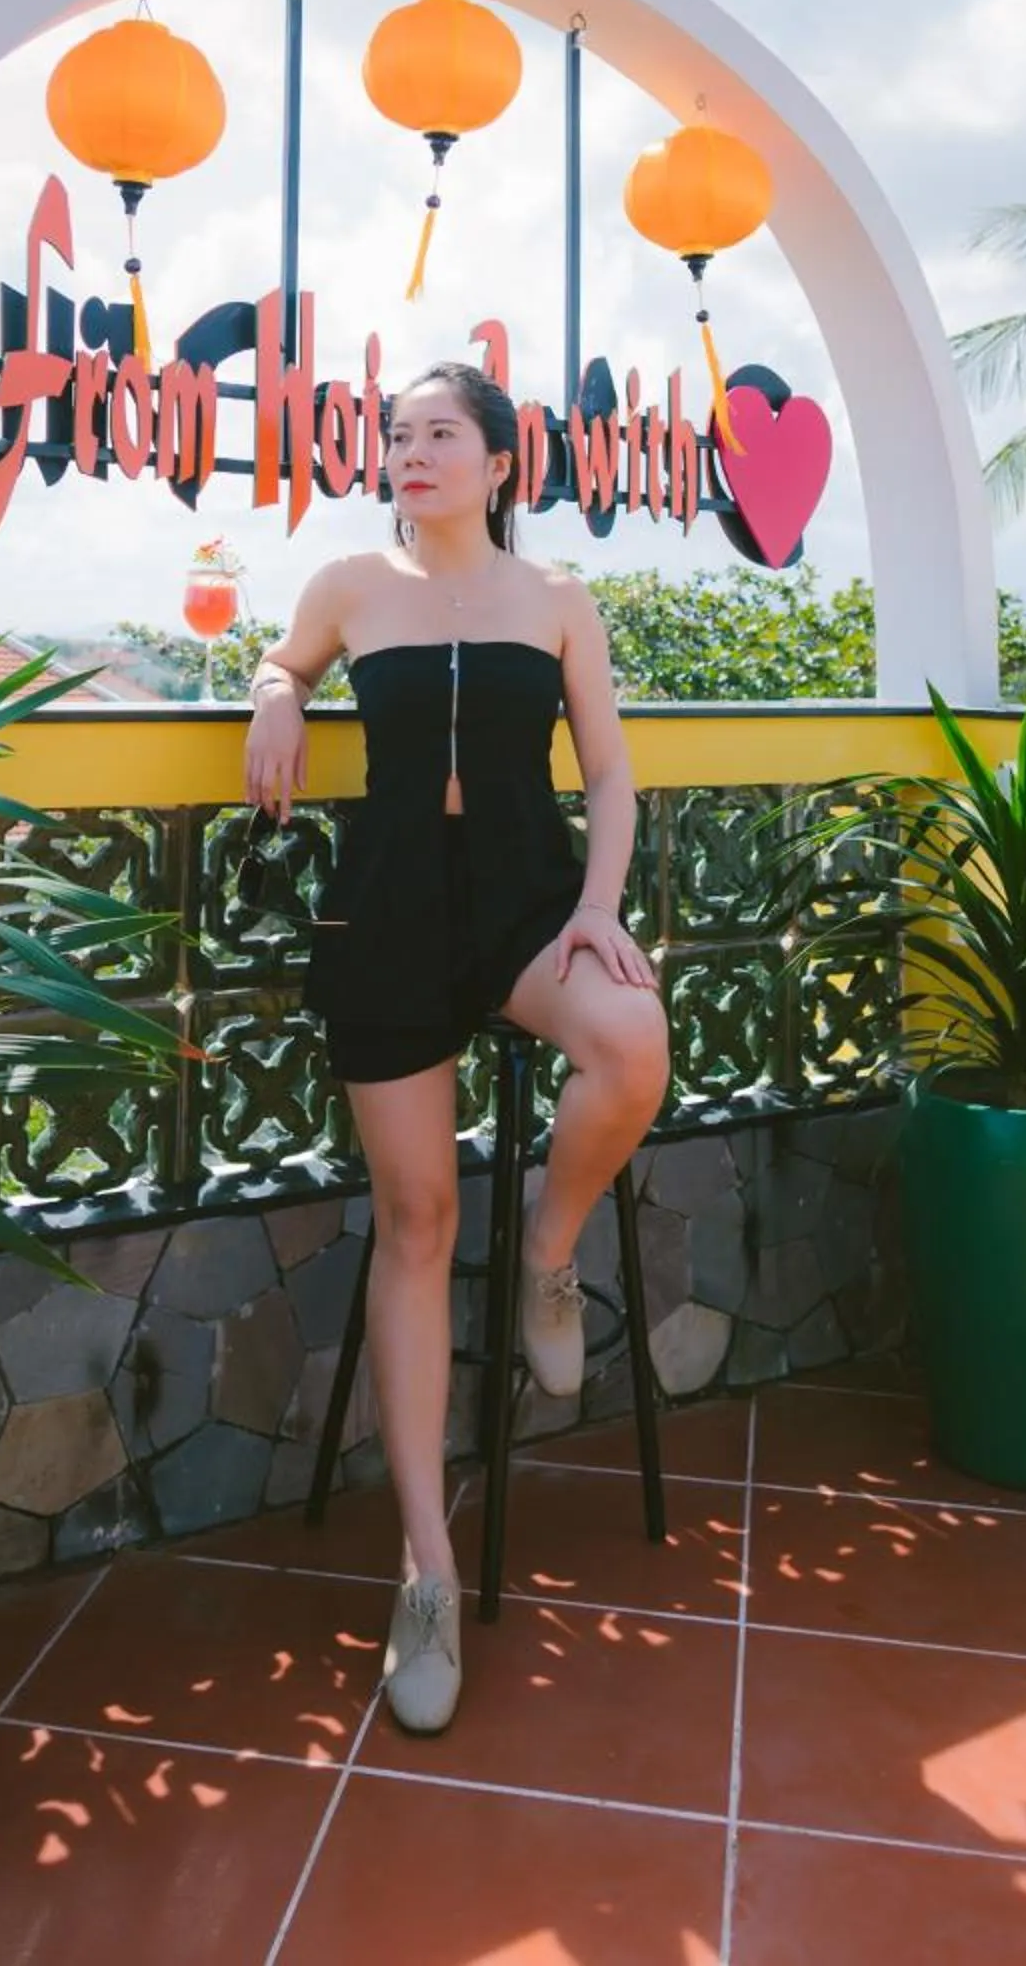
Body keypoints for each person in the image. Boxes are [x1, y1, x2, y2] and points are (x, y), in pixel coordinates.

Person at [242, 359, 671, 1735]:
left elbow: (609, 770)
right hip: (388, 913)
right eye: (397, 434)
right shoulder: (348, 585)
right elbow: (284, 657)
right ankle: (423, 1570)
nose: (411, 450)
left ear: (498, 462)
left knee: (631, 1042)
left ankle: (549, 1253)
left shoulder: (555, 601)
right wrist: (273, 689)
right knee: (418, 1220)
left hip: (528, 907)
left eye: (440, 433)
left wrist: (598, 909)